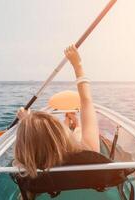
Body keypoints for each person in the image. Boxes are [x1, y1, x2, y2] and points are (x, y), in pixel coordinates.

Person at [14, 44, 100, 178]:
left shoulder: (27, 170)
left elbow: (34, 139)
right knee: (78, 133)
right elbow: (86, 100)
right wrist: (77, 65)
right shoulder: (89, 150)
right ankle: (75, 125)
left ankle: (73, 124)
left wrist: (26, 121)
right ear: (61, 135)